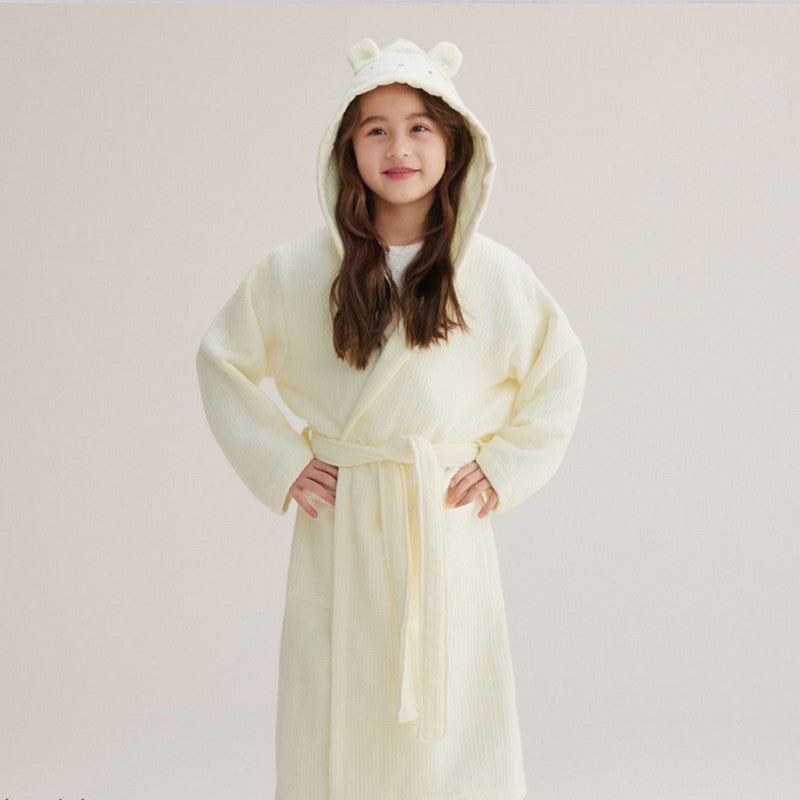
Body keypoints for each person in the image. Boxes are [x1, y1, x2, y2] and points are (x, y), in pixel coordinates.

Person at [195, 37, 587, 800]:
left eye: (419, 128)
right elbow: (222, 360)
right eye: (375, 129)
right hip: (342, 520)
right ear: (346, 150)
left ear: (454, 145)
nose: (398, 148)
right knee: (334, 691)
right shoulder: (296, 270)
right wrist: (281, 461)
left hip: (441, 516)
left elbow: (560, 368)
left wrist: (504, 465)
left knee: (455, 699)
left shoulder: (493, 274)